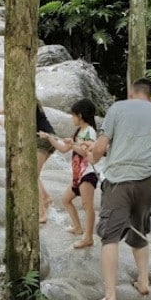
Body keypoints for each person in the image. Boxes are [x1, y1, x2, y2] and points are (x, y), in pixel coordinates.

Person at [87, 78, 151, 300]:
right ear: (150, 96)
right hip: (150, 178)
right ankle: (143, 282)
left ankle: (110, 296)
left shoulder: (118, 107)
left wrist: (93, 157)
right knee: (140, 227)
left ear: (131, 93)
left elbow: (101, 147)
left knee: (110, 235)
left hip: (120, 178)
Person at [0, 102, 56, 223]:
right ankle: (46, 198)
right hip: (49, 139)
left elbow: (12, 114)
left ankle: (42, 214)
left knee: (32, 176)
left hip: (43, 139)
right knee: (33, 172)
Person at [41, 98, 101, 248]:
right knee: (65, 199)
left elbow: (85, 150)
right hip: (77, 175)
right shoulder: (78, 132)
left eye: (73, 115)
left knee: (88, 206)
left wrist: (73, 144)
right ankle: (77, 227)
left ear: (80, 115)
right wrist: (49, 137)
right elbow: (63, 149)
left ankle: (88, 237)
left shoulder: (90, 132)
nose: (71, 118)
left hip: (87, 174)